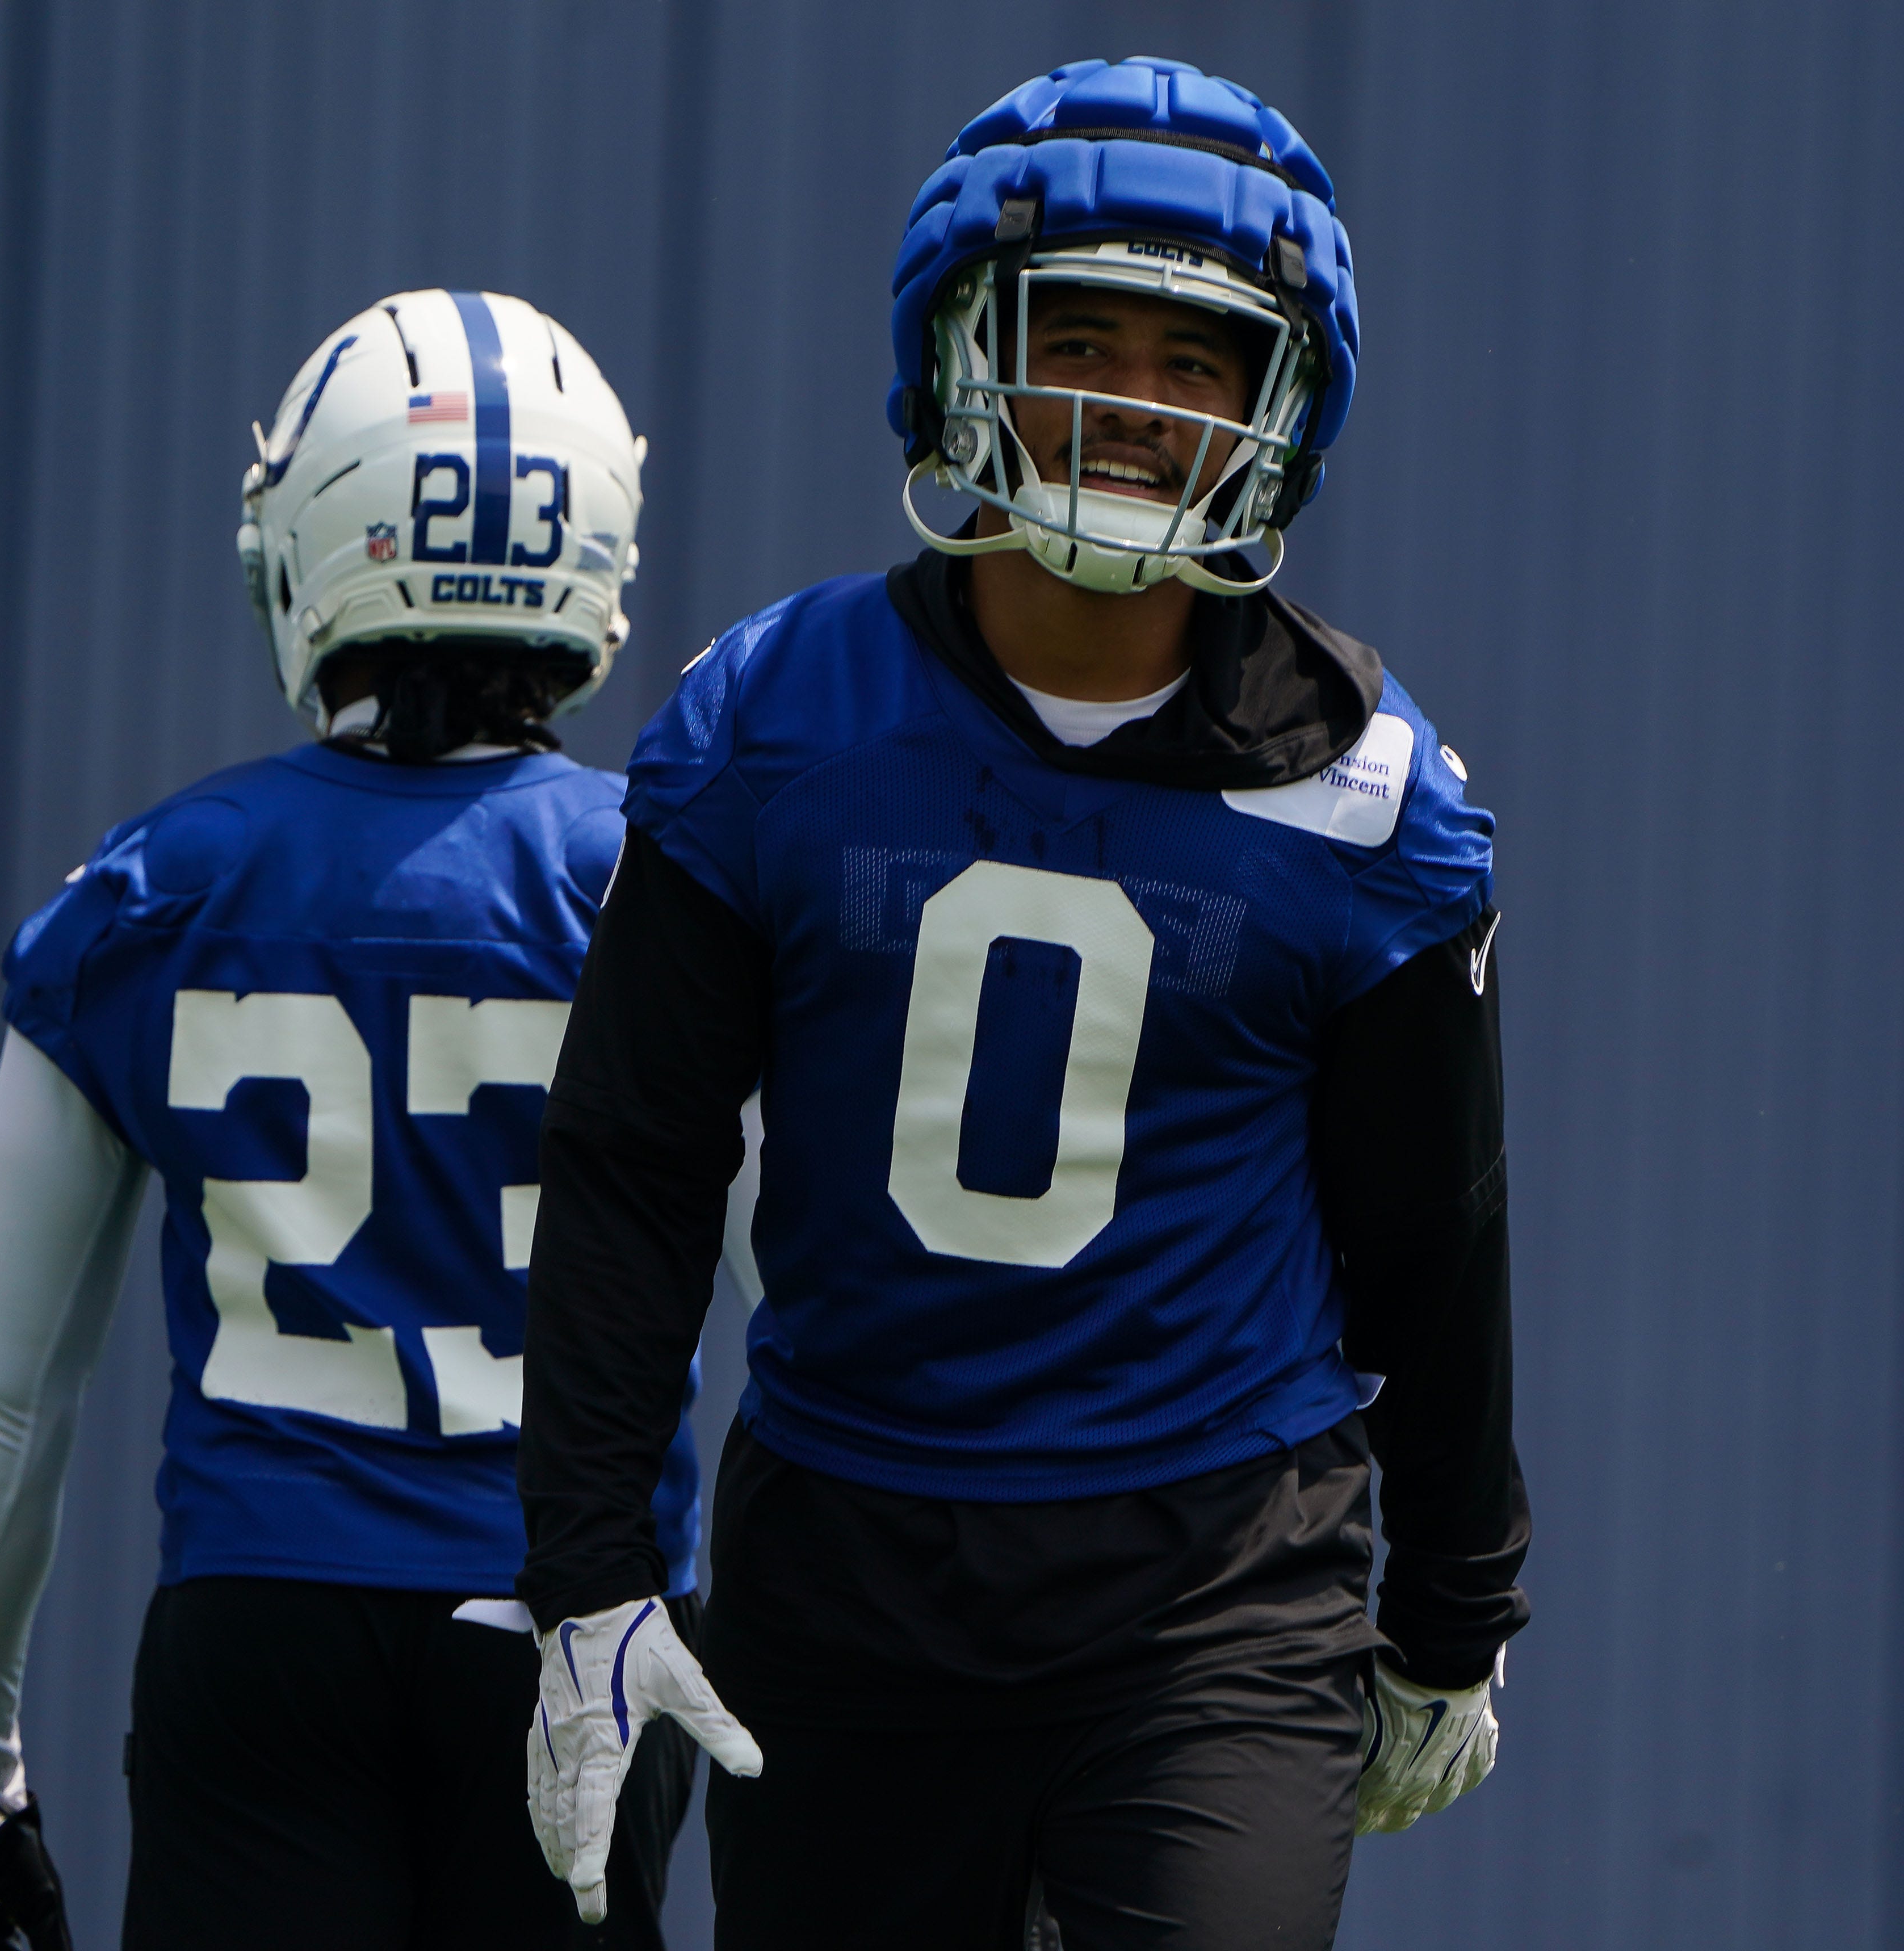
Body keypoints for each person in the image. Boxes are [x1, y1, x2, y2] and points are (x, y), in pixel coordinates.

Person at [517, 56, 1530, 1950]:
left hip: (1211, 1580)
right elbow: (634, 1160)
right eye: (1080, 336)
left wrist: (1458, 1600)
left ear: (1280, 409)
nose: (1134, 405)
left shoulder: (1367, 791)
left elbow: (1431, 1235)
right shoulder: (775, 720)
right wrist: (589, 1569)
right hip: (847, 1558)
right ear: (957, 348)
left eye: (1199, 360)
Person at [0, 288, 703, 1951]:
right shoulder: (672, 887)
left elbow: (4, 1407)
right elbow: (819, 1325)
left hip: (263, 1624)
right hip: (573, 1624)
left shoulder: (157, 886)